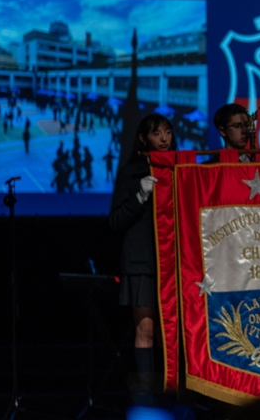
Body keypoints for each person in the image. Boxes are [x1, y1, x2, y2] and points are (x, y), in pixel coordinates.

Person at [108, 113, 176, 405]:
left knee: (171, 330)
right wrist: (139, 196)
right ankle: (147, 396)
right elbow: (115, 220)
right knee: (146, 329)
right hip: (142, 261)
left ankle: (173, 393)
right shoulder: (130, 172)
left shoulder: (178, 169)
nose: (164, 138)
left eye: (167, 132)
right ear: (142, 138)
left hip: (174, 260)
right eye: (157, 133)